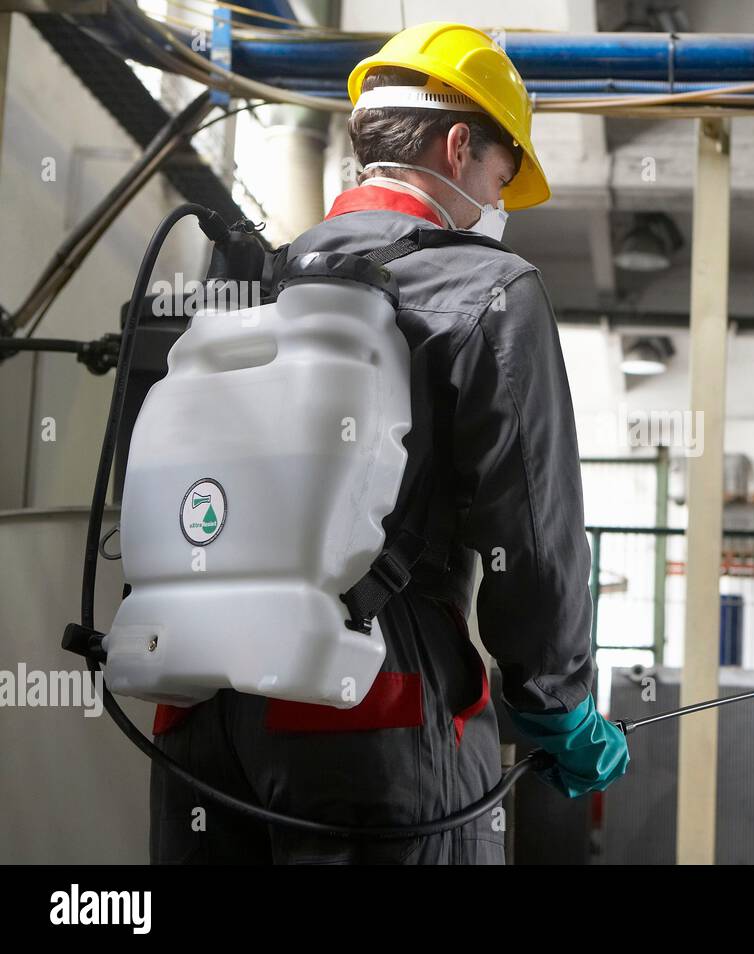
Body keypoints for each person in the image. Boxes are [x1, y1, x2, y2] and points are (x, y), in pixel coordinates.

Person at [148, 21, 629, 864]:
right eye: (500, 176)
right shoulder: (489, 290)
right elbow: (532, 528)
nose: (499, 206)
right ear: (456, 144)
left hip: (197, 707)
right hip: (369, 697)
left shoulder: (253, 280)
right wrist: (556, 703)